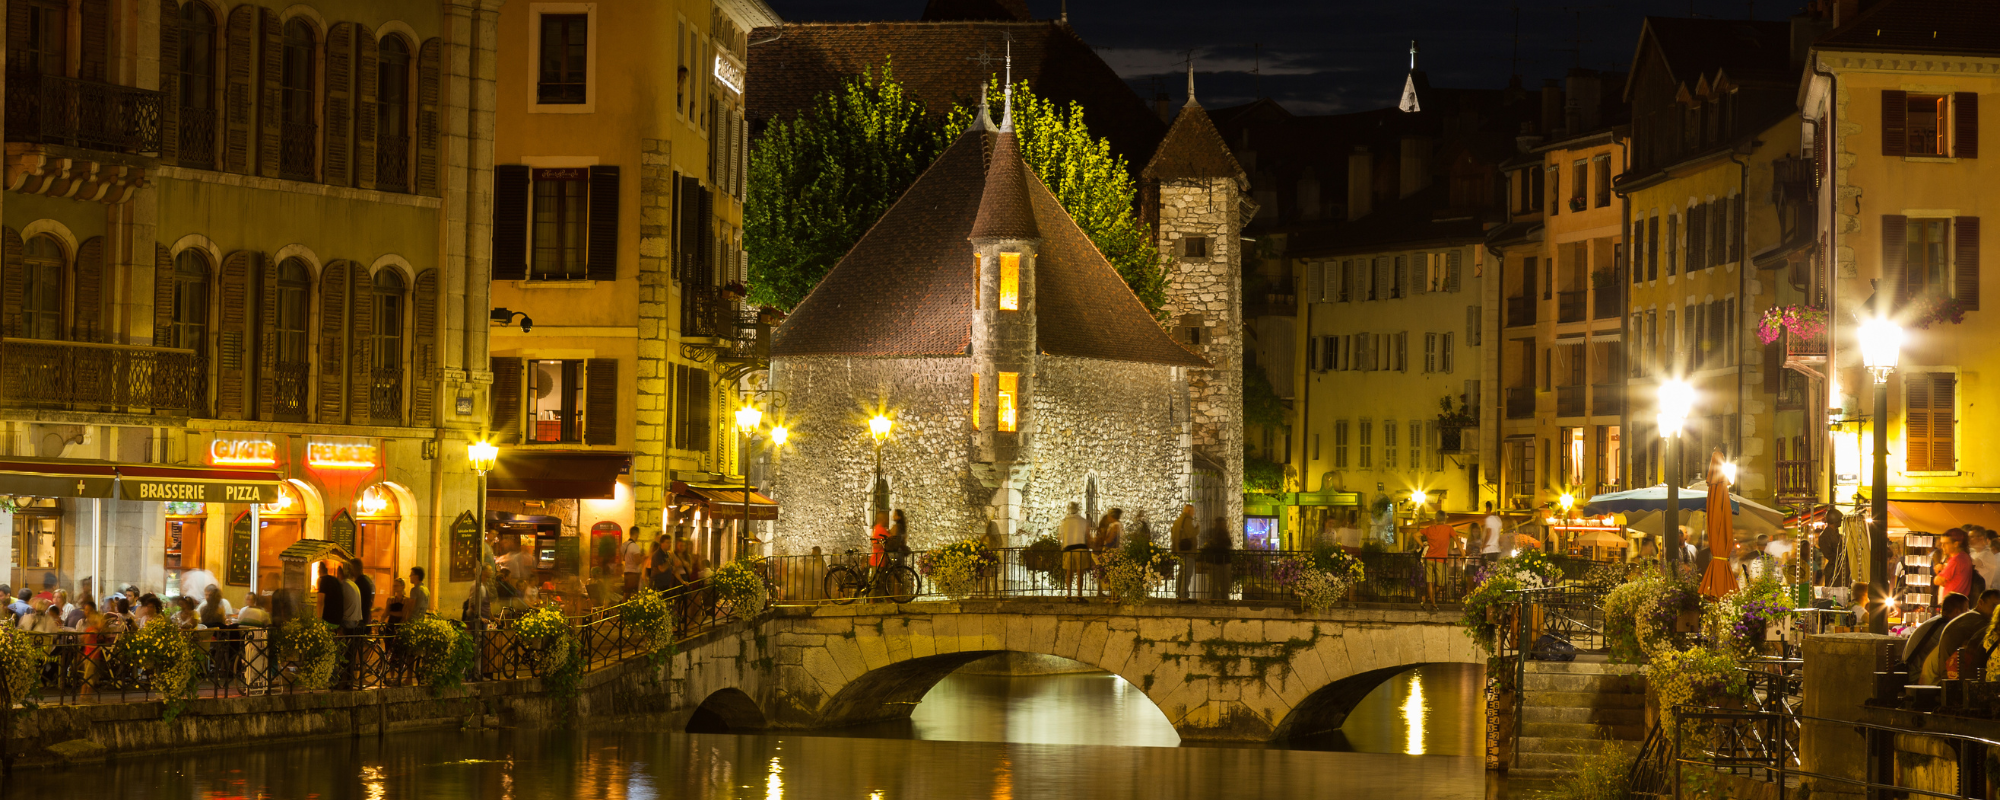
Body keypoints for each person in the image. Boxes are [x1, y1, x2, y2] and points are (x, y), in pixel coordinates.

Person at [1920, 589, 1998, 684]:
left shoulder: (1970, 618)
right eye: (1994, 606)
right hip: (1949, 682)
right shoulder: (1979, 623)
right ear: (1981, 603)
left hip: (1945, 679)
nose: (1996, 611)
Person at [1901, 592, 1967, 677]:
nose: (1968, 614)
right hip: (1916, 677)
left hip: (1912, 672)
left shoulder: (1937, 621)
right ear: (1956, 612)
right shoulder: (1945, 629)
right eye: (1966, 610)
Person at [1420, 514, 1460, 606]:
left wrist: (1423, 545)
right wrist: (1462, 553)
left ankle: (1428, 598)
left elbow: (1415, 535)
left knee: (1430, 582)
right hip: (1440, 559)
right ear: (1445, 519)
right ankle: (1432, 602)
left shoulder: (1430, 528)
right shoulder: (1449, 528)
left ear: (1435, 519)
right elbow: (1457, 541)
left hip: (1429, 558)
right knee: (1442, 583)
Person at [1057, 502, 1093, 601]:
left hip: (1068, 549)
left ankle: (1068, 595)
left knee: (1069, 573)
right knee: (1080, 573)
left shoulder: (1064, 521)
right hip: (1081, 548)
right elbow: (1088, 537)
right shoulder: (1084, 521)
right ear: (1078, 509)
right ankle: (1079, 595)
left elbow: (1059, 536)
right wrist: (1089, 548)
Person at [1935, 529, 1974, 600]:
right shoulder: (1964, 556)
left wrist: (1939, 572)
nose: (1942, 546)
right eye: (1941, 543)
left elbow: (1937, 581)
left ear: (1956, 544)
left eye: (1946, 543)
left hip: (1952, 601)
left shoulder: (1956, 560)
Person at [1171, 504, 1199, 602]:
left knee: (1182, 573)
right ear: (1188, 511)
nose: (1193, 514)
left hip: (1180, 552)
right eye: (1193, 511)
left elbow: (1173, 536)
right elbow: (1191, 533)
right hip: (1188, 552)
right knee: (1187, 574)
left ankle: (1179, 594)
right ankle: (1184, 596)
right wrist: (1198, 528)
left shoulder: (1178, 521)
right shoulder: (1187, 520)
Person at [317, 563, 347, 627]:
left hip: (329, 621)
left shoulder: (323, 580)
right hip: (338, 620)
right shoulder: (335, 580)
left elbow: (320, 602)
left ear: (319, 571)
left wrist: (318, 621)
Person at [621, 528, 649, 596]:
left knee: (626, 593)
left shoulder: (624, 545)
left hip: (627, 571)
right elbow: (637, 561)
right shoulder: (635, 546)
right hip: (634, 573)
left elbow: (623, 558)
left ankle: (624, 606)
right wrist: (643, 557)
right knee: (633, 594)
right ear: (636, 534)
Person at [350, 558, 377, 626]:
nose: (349, 571)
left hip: (358, 621)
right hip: (364, 618)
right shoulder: (366, 580)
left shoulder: (359, 583)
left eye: (350, 568)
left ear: (355, 568)